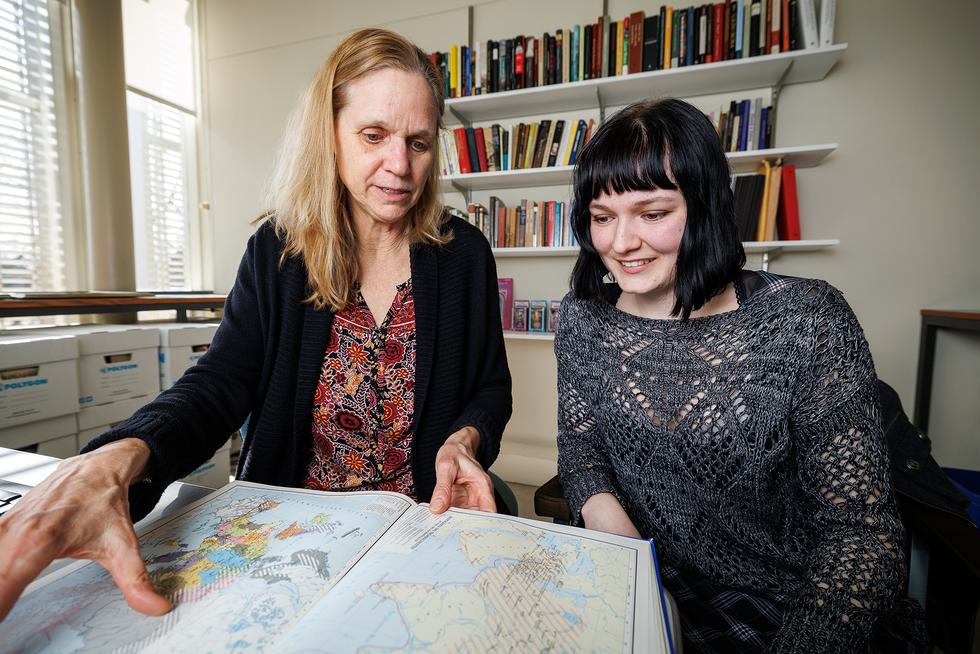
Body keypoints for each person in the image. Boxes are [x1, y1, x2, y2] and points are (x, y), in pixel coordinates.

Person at [0, 28, 511, 623]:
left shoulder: (463, 254)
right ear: (330, 133)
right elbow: (219, 382)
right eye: (373, 135)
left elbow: (490, 388)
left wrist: (464, 438)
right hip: (296, 542)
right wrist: (121, 455)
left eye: (418, 143)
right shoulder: (277, 252)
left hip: (422, 535)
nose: (399, 166)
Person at [555, 98, 905, 653]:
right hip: (644, 580)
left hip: (788, 603)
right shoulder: (583, 317)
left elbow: (861, 535)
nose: (620, 243)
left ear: (706, 205)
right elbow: (581, 450)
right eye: (602, 217)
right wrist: (631, 562)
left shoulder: (807, 321)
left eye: (653, 213)